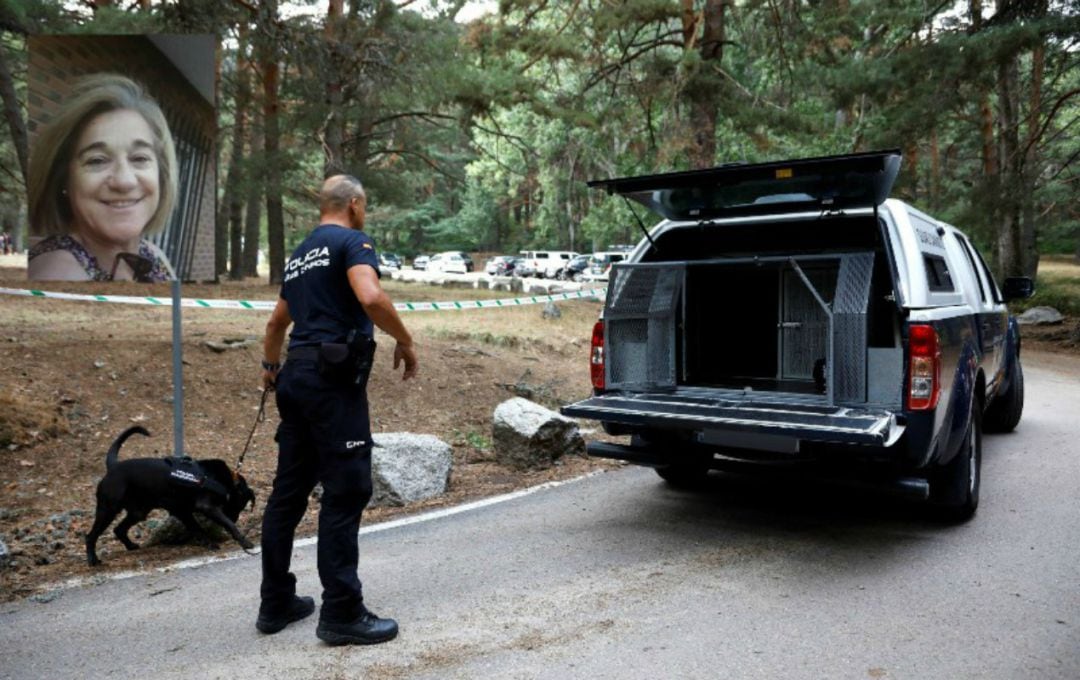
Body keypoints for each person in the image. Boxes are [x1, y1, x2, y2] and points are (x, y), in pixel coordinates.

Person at [257, 174, 419, 646]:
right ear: (353, 204)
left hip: (296, 377)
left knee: (287, 495)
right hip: (333, 384)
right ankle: (343, 612)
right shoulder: (353, 242)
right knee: (347, 491)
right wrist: (405, 340)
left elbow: (275, 323)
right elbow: (370, 297)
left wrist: (270, 367)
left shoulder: (301, 253)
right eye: (364, 205)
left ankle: (275, 602)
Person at [27, 74, 176, 282]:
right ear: (64, 179)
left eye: (140, 158)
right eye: (97, 161)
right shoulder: (59, 273)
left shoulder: (153, 257)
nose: (125, 181)